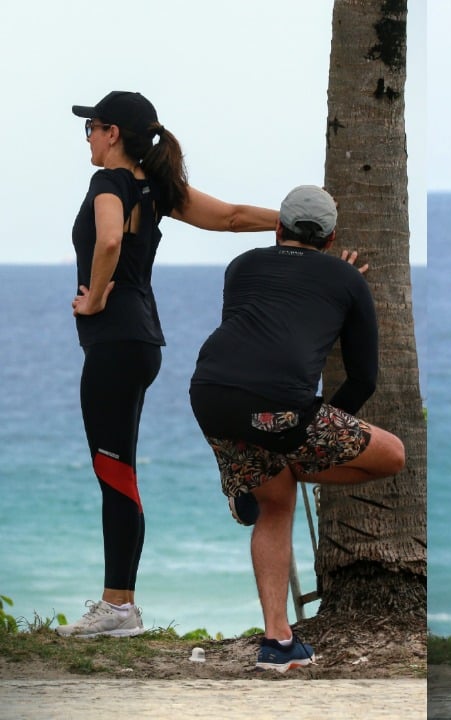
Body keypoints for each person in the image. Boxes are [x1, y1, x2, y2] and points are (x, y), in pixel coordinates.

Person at [59, 90, 280, 638]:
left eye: (92, 127)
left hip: (115, 341)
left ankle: (118, 608)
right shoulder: (156, 188)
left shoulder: (107, 183)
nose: (87, 136)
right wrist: (298, 224)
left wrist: (93, 297)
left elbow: (108, 239)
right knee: (119, 470)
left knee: (114, 472)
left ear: (113, 134)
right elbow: (230, 218)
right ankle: (119, 604)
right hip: (142, 343)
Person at [188, 185, 406, 671]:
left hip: (210, 393)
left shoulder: (242, 265)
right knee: (392, 454)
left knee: (276, 502)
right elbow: (364, 376)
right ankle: (275, 470)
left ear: (280, 228)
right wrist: (320, 430)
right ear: (330, 240)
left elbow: (253, 333)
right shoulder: (347, 278)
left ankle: (278, 643)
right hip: (281, 410)